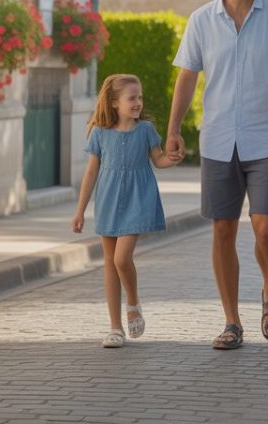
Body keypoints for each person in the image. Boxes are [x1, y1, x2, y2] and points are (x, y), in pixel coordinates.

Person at [166, 0, 268, 351]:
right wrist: (174, 129)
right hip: (218, 139)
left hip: (267, 139)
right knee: (222, 229)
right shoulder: (202, 20)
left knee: (265, 227)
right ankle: (232, 321)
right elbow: (187, 77)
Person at [72, 73, 181, 348]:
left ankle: (132, 301)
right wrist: (80, 210)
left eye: (139, 98)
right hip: (108, 200)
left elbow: (158, 160)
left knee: (121, 259)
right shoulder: (99, 133)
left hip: (138, 199)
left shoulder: (146, 130)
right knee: (110, 262)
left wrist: (173, 158)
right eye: (132, 98)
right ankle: (115, 328)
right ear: (114, 103)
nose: (138, 103)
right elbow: (91, 173)